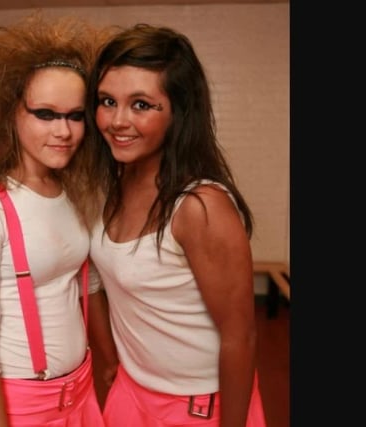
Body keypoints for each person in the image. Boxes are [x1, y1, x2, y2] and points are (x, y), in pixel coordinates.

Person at [85, 23, 268, 426]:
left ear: (178, 113)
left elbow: (241, 336)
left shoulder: (200, 206)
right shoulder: (116, 183)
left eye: (141, 105)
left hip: (194, 405)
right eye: (107, 101)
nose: (117, 120)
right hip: (133, 393)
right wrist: (114, 363)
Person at [0, 12, 112, 427]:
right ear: (11, 114)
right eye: (45, 114)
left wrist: (109, 364)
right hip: (20, 408)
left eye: (76, 116)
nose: (64, 131)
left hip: (81, 392)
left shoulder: (76, 193)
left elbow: (87, 282)